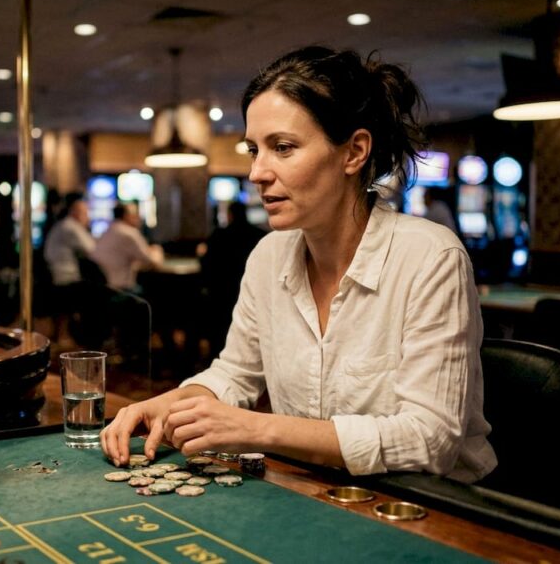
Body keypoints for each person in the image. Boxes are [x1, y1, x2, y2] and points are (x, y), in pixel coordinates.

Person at [101, 46, 496, 483]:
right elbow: (236, 372)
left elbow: (429, 440)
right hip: (318, 487)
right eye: (254, 150)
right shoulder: (268, 256)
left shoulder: (430, 257)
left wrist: (258, 429)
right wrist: (173, 402)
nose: (256, 172)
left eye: (282, 148)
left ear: (354, 152)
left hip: (439, 508)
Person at [200, 201, 267, 358]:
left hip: (220, 294)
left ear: (229, 215)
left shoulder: (218, 235)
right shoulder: (261, 236)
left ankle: (216, 361)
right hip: (254, 294)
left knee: (219, 336)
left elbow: (206, 264)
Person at [91, 202, 163, 291]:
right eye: (135, 214)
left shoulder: (107, 231)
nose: (138, 218)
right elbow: (152, 262)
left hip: (102, 288)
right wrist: (157, 251)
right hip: (120, 290)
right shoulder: (129, 233)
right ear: (126, 216)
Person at [43, 193, 96, 287]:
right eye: (85, 213)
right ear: (75, 213)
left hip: (59, 274)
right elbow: (91, 249)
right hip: (65, 277)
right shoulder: (70, 226)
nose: (88, 218)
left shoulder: (64, 224)